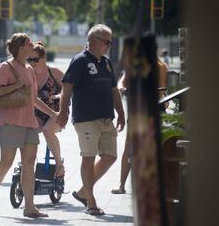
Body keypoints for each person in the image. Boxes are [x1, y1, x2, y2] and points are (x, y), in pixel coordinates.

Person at [0, 33, 57, 218]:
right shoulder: (5, 68)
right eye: (29, 43)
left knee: (29, 163)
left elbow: (34, 99)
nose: (33, 45)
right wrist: (15, 86)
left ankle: (29, 207)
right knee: (6, 163)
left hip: (30, 123)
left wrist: (53, 114)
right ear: (21, 47)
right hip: (10, 123)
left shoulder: (29, 68)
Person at [56, 24, 125, 216]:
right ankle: (91, 201)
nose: (109, 45)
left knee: (111, 156)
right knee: (89, 156)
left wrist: (121, 112)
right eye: (107, 42)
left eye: (110, 42)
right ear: (93, 41)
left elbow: (114, 89)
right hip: (86, 118)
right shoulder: (79, 61)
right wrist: (63, 112)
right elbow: (67, 87)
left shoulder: (107, 62)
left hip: (106, 118)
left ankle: (82, 192)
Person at [111, 43, 168, 195]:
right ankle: (121, 184)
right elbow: (122, 80)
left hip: (154, 109)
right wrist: (122, 87)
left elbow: (161, 88)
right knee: (128, 146)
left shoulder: (161, 67)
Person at [28, 41, 65, 178]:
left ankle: (59, 166)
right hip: (38, 111)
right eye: (29, 59)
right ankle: (28, 163)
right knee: (28, 130)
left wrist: (57, 96)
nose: (31, 62)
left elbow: (69, 90)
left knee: (47, 130)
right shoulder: (28, 73)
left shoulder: (54, 72)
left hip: (58, 111)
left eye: (35, 59)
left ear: (43, 58)